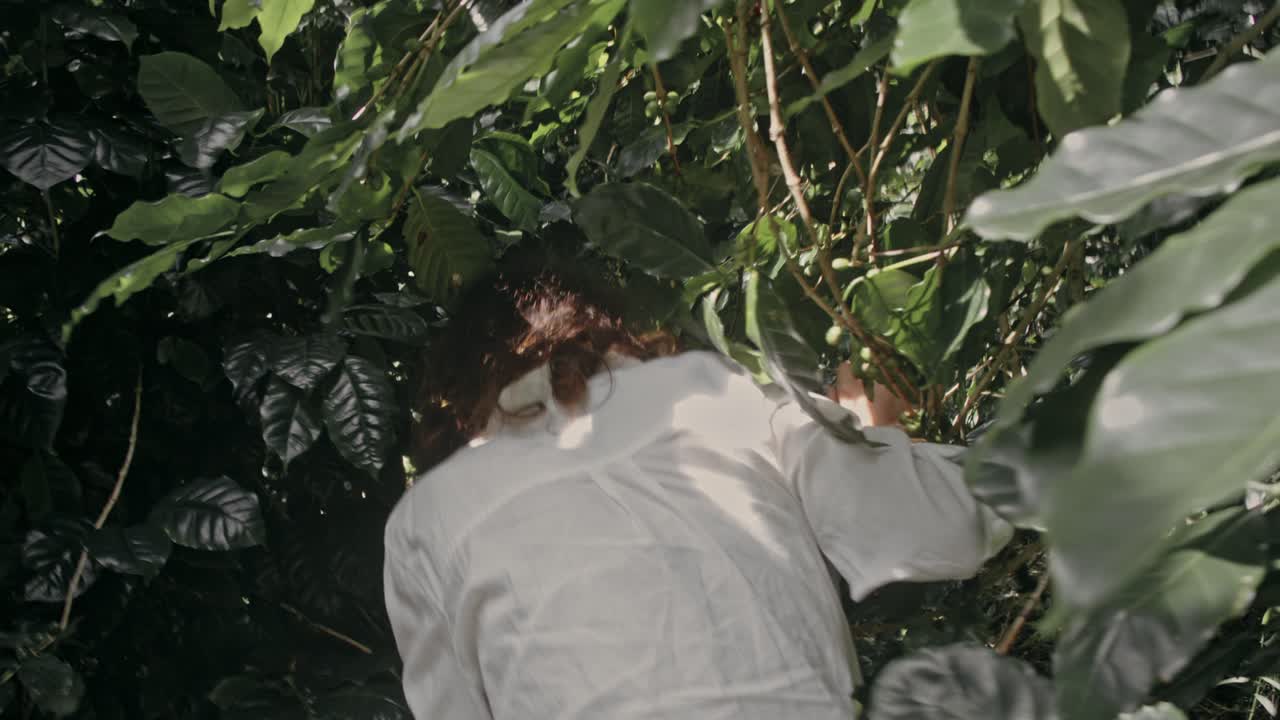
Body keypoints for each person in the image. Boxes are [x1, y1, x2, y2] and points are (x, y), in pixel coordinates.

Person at [383, 265, 1012, 720]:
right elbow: (940, 529)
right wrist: (879, 434)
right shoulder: (731, 396)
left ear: (464, 396)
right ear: (609, 331)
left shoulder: (429, 520)